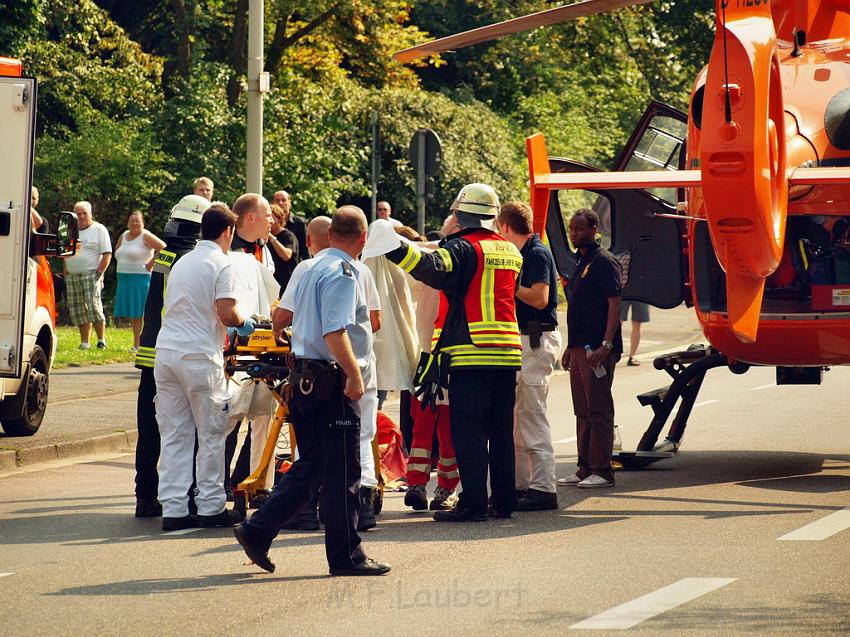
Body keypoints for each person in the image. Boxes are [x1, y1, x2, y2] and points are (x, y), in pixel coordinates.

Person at [233, 206, 391, 577]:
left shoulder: (309, 268)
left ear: (332, 233)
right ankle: (347, 556)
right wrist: (353, 375)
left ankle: (257, 530)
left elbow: (281, 317)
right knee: (345, 472)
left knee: (314, 465)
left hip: (305, 379)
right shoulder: (344, 273)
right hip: (331, 382)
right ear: (363, 239)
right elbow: (335, 332)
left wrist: (282, 337)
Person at [374, 182, 523, 522]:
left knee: (468, 430)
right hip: (507, 353)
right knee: (500, 432)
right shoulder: (512, 251)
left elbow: (429, 267)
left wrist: (394, 248)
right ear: (493, 217)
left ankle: (471, 504)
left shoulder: (462, 248)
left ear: (460, 214)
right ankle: (503, 501)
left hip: (472, 353)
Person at [155, 204, 256, 531]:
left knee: (174, 434)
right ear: (228, 232)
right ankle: (211, 507)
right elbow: (226, 313)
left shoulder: (184, 261)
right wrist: (244, 322)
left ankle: (174, 509)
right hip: (199, 357)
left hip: (167, 353)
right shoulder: (222, 264)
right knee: (212, 433)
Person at [134, 194, 210, 519]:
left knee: (149, 428)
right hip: (176, 351)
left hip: (151, 351)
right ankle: (188, 498)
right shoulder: (193, 259)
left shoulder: (164, 255)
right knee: (185, 428)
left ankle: (145, 496)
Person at [497, 202, 561, 511]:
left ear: (506, 227)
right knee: (519, 419)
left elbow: (540, 297)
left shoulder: (535, 253)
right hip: (527, 340)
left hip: (535, 339)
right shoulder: (529, 252)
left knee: (531, 417)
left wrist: (509, 284)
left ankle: (543, 488)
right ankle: (523, 485)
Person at [557, 208, 622, 489]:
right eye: (572, 229)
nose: (574, 233)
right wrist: (571, 347)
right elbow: (578, 308)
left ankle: (602, 470)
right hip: (581, 350)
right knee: (582, 410)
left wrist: (606, 345)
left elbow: (614, 304)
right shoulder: (580, 261)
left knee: (599, 410)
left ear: (594, 229)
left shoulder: (604, 261)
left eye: (579, 229)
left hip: (597, 351)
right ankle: (584, 468)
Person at [223, 194, 273, 499]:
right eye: (266, 214)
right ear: (251, 217)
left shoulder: (262, 250)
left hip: (263, 345)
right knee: (230, 416)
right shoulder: (229, 252)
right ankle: (220, 481)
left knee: (263, 416)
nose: (272, 220)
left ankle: (252, 481)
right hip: (235, 346)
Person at [113, 211, 166, 351]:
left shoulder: (146, 235)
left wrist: (151, 263)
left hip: (141, 279)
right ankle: (136, 343)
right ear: (127, 222)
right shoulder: (123, 235)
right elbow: (117, 252)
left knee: (140, 313)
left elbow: (163, 248)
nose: (134, 224)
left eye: (138, 221)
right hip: (124, 279)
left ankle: (139, 344)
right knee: (133, 314)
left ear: (143, 223)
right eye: (132, 221)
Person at [63, 201, 112, 350]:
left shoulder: (99, 229)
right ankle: (85, 342)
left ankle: (101, 340)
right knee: (78, 310)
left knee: (94, 307)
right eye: (78, 213)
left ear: (91, 213)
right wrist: (66, 272)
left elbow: (107, 253)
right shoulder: (69, 229)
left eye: (84, 213)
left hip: (92, 274)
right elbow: (65, 253)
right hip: (72, 275)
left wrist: (99, 272)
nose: (82, 216)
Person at [266, 203, 299, 291]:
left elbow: (286, 256)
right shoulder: (263, 237)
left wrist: (272, 238)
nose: (269, 221)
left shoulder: (288, 236)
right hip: (271, 283)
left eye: (271, 217)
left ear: (279, 219)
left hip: (286, 285)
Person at [273, 190, 307, 259]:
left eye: (283, 200)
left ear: (289, 203)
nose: (280, 203)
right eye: (277, 200)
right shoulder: (270, 224)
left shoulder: (300, 223)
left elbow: (305, 249)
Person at [620, 301, 649, 366]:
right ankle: (613, 354)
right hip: (622, 293)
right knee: (617, 321)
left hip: (640, 293)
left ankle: (632, 356)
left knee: (637, 323)